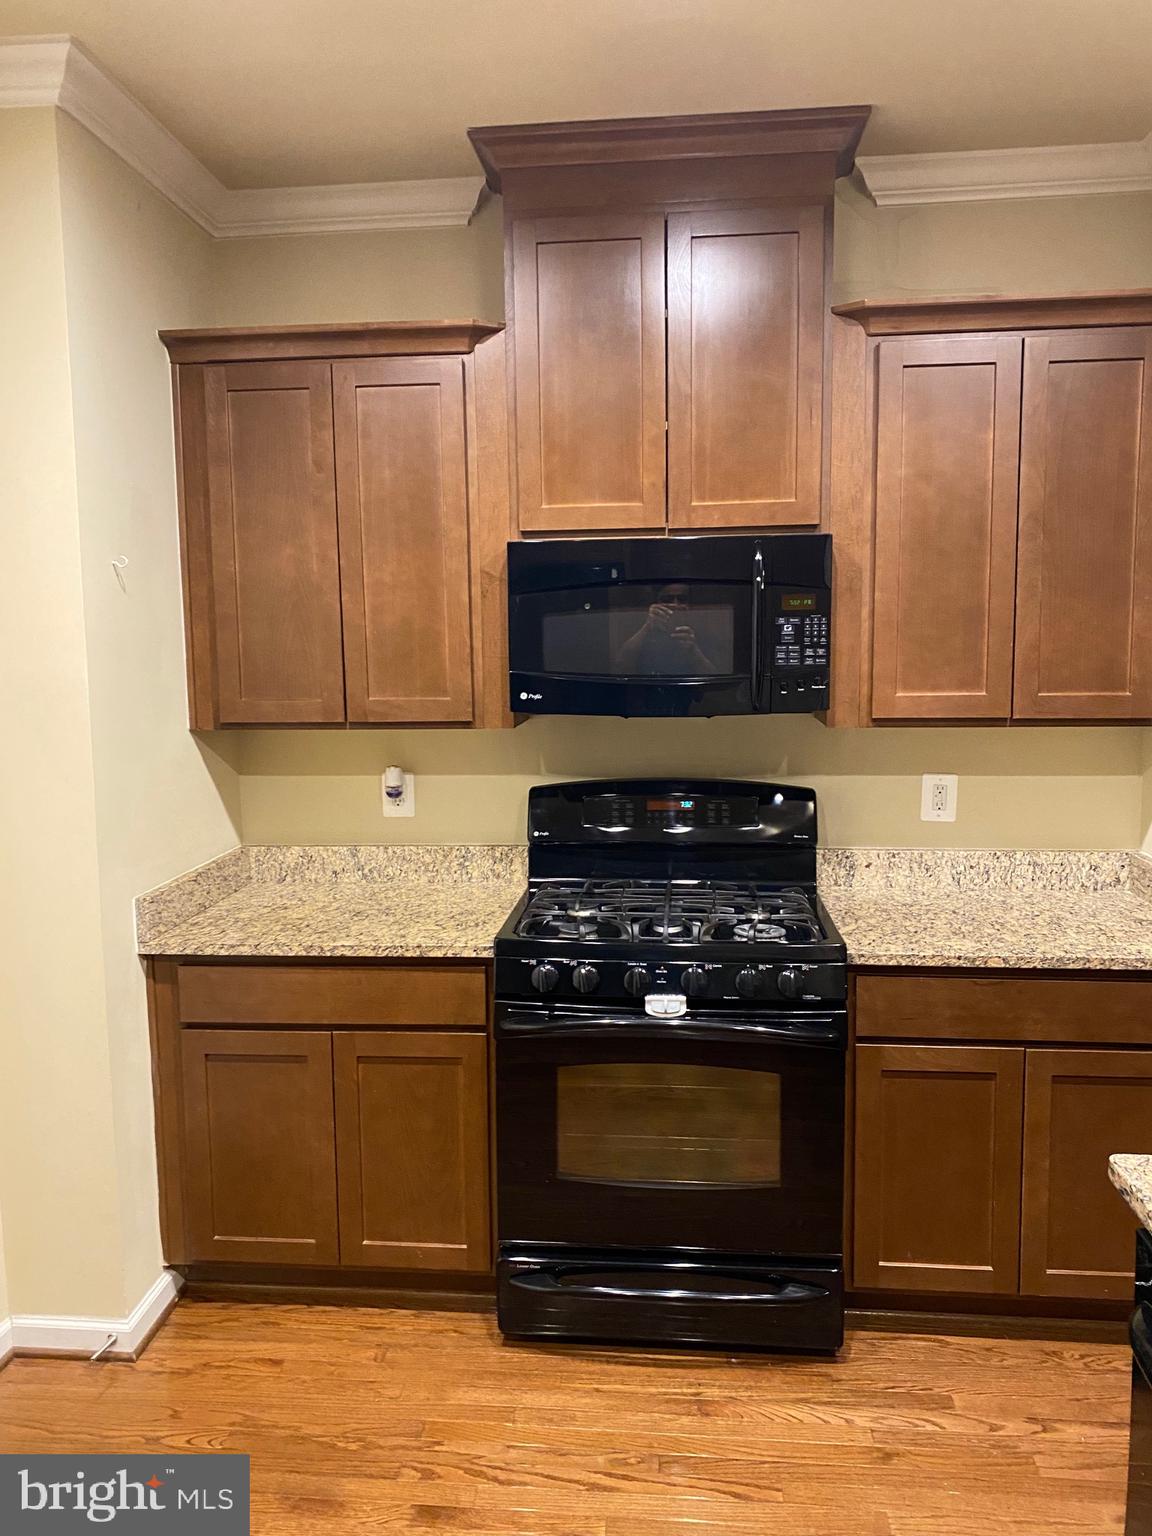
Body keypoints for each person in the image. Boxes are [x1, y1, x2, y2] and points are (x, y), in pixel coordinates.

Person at [616, 584, 719, 675]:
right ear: (656, 602)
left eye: (682, 599)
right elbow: (621, 665)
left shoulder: (700, 631)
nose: (675, 604)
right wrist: (647, 627)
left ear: (689, 605)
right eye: (667, 599)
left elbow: (713, 676)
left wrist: (693, 651)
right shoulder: (642, 627)